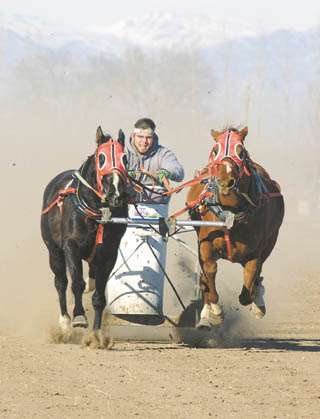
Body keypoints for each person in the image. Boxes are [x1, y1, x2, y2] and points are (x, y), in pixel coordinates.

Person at [125, 118, 184, 203]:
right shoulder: (123, 153)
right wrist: (124, 175)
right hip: (125, 209)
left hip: (157, 209)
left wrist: (166, 172)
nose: (144, 141)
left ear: (153, 137)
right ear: (133, 135)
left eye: (148, 138)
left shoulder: (163, 153)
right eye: (140, 137)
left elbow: (178, 171)